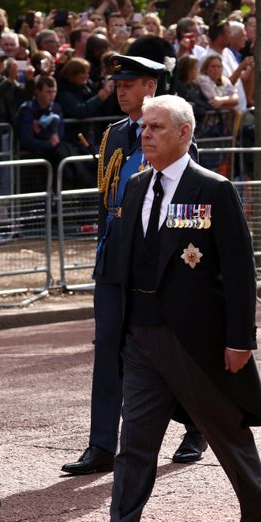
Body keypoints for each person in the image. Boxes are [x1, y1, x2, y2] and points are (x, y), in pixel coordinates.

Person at [65, 94, 261, 522]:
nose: (145, 135)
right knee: (134, 445)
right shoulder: (135, 187)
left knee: (227, 437)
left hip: (195, 342)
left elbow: (241, 273)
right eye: (143, 127)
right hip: (141, 338)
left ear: (184, 133)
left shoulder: (214, 189)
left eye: (157, 127)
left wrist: (240, 339)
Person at [61, 54, 208, 477]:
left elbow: (182, 201)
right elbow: (107, 202)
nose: (120, 90)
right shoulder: (114, 135)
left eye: (130, 84)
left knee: (165, 351)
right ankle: (102, 444)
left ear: (151, 88)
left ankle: (197, 422)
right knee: (108, 351)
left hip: (155, 261)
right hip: (115, 260)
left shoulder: (173, 133)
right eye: (118, 84)